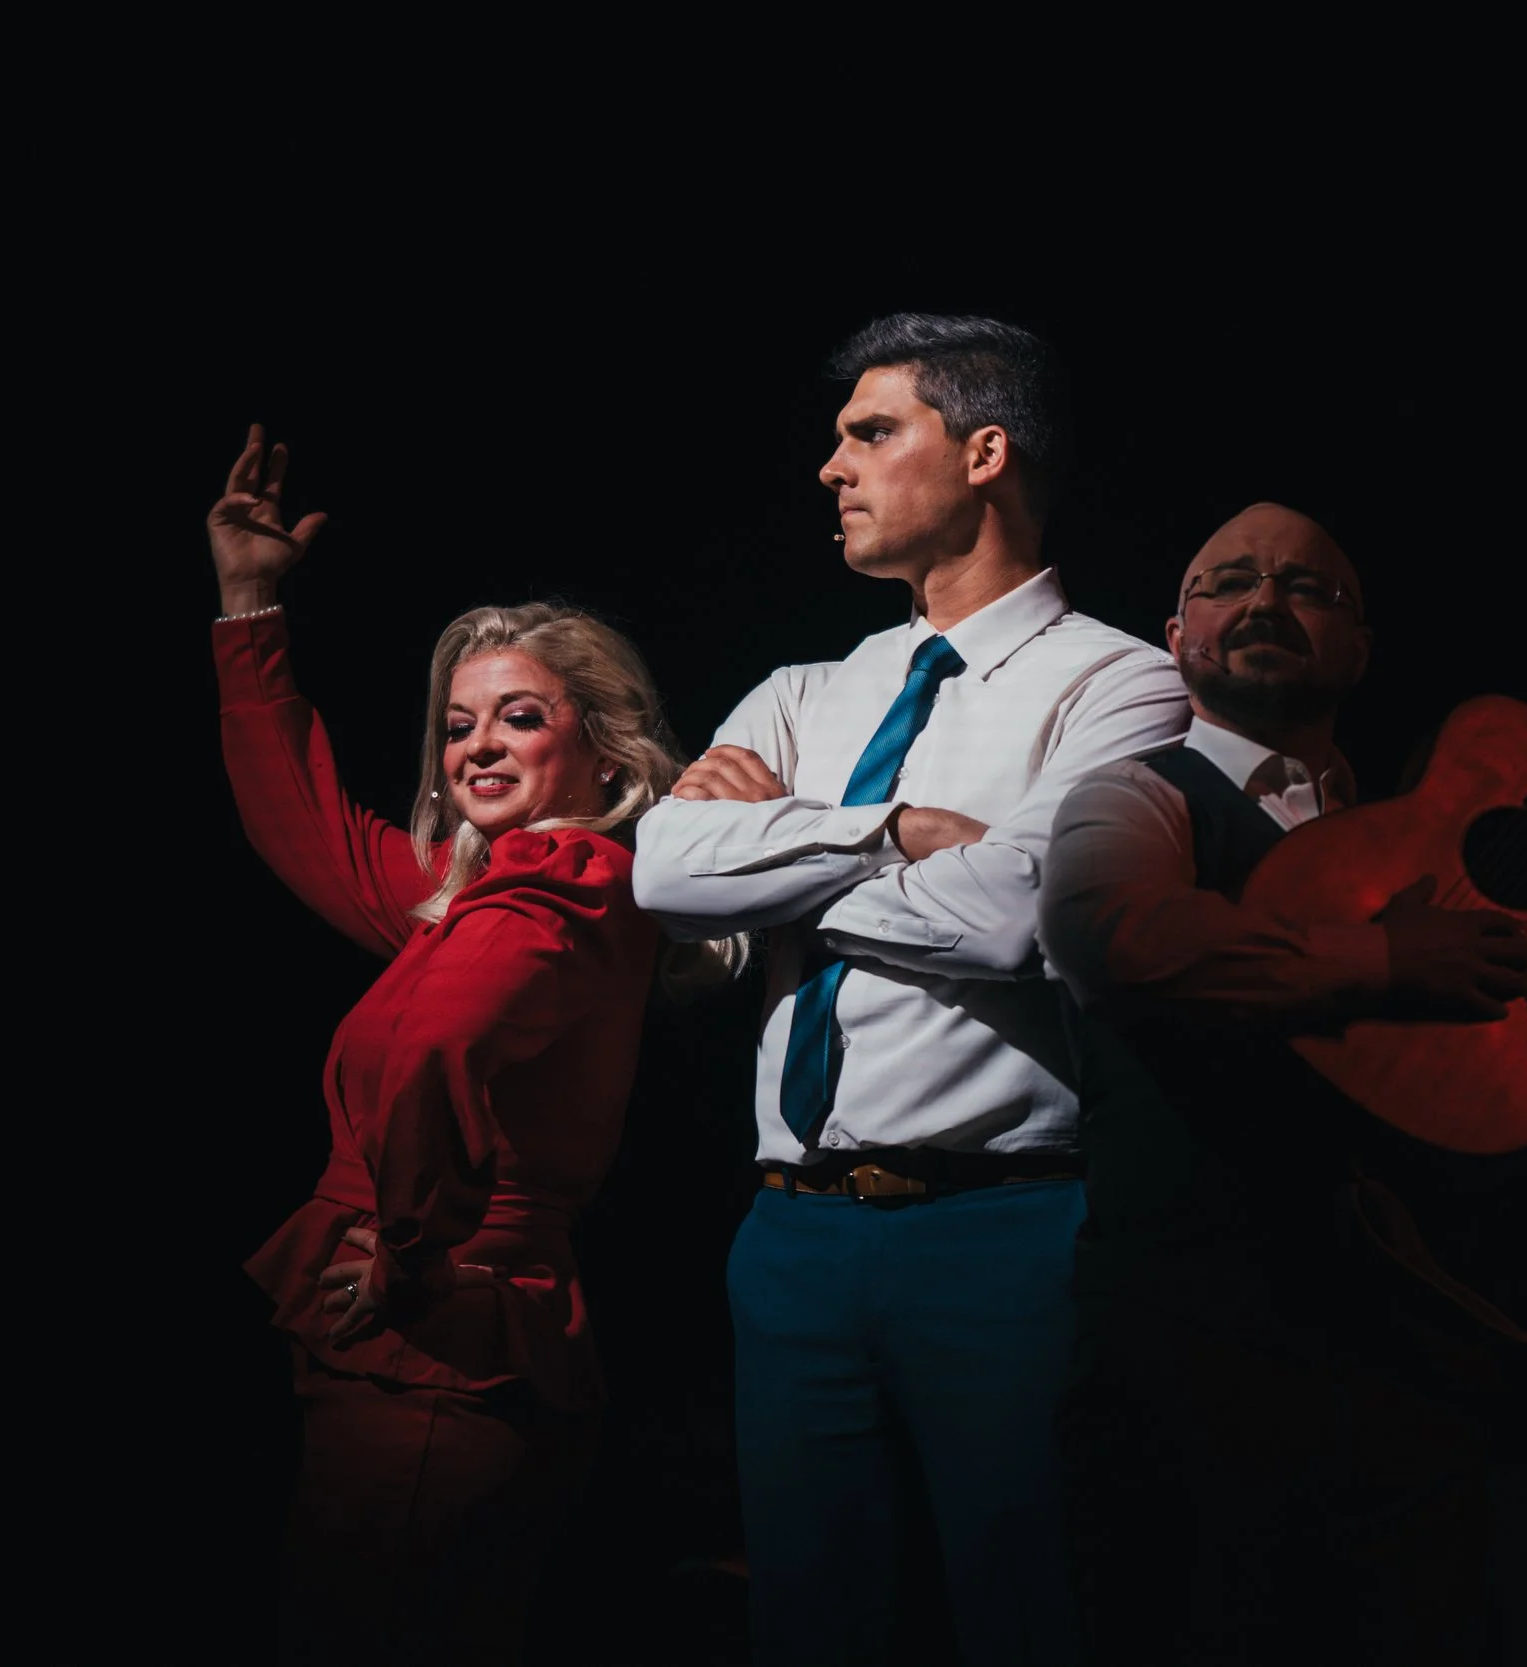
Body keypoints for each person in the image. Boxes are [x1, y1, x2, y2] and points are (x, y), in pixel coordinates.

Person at [1039, 502, 1527, 1665]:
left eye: (1307, 588)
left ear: (1363, 649)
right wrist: (1386, 961)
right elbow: (1109, 930)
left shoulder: (1447, 830)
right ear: (1178, 636)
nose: (1266, 600)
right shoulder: (1137, 797)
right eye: (1229, 582)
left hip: (1416, 1367)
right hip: (1192, 1361)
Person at [630, 314, 1190, 1665]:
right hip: (791, 1238)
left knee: (1028, 1614)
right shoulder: (803, 688)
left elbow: (1023, 918)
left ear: (985, 451)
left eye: (870, 432)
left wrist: (779, 856)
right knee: (811, 1625)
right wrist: (889, 831)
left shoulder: (1123, 682)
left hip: (1003, 1228)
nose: (833, 467)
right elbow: (661, 865)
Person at [206, 424, 729, 1666]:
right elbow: (305, 824)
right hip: (432, 1342)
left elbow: (432, 1041)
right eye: (457, 724)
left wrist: (409, 1239)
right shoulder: (476, 895)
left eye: (521, 716)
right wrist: (248, 602)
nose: (477, 745)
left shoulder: (571, 872)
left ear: (600, 743)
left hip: (439, 1343)